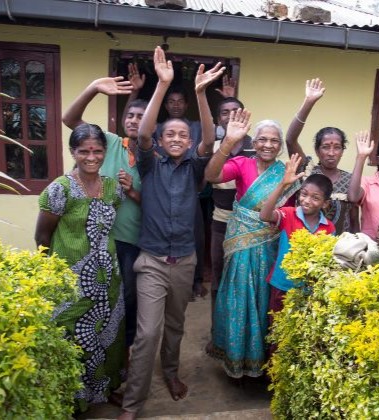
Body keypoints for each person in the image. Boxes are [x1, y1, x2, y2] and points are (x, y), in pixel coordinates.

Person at [117, 46, 223, 419]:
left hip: (184, 261)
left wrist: (199, 95)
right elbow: (143, 132)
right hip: (151, 260)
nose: (176, 137)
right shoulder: (150, 164)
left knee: (176, 326)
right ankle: (133, 403)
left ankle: (172, 373)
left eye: (182, 134)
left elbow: (210, 142)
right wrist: (162, 85)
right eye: (170, 134)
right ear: (161, 142)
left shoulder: (195, 169)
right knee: (148, 333)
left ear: (188, 142)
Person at [34, 123, 128, 411]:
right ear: (73, 152)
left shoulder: (112, 187)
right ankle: (75, 398)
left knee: (109, 337)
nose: (91, 157)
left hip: (108, 278)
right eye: (84, 151)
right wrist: (49, 277)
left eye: (97, 151)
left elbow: (105, 226)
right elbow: (42, 236)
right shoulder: (60, 190)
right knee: (74, 337)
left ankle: (108, 386)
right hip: (72, 282)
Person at [205, 111, 300, 379]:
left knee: (264, 300)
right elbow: (211, 175)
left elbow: (288, 214)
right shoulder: (241, 163)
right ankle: (236, 356)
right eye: (262, 140)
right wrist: (227, 142)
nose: (268, 145)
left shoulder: (287, 172)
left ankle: (264, 361)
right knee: (239, 296)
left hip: (272, 247)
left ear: (280, 146)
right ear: (254, 143)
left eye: (274, 141)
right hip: (241, 244)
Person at [62, 74, 144, 361]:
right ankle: (86, 355)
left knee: (128, 298)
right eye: (131, 115)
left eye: (142, 117)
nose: (135, 120)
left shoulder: (154, 156)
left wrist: (132, 191)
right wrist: (93, 88)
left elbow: (161, 206)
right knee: (94, 298)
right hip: (96, 240)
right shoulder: (108, 142)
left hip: (133, 240)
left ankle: (125, 351)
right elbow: (70, 119)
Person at [259, 155, 335, 325]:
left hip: (308, 290)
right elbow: (264, 215)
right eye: (304, 194)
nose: (306, 201)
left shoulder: (329, 228)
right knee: (277, 329)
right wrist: (283, 185)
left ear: (325, 203)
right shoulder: (288, 214)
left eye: (315, 198)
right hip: (282, 285)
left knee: (300, 331)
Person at [286, 78, 356, 234]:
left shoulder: (350, 179)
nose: (331, 153)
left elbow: (353, 218)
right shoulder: (307, 170)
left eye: (337, 147)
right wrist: (308, 102)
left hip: (338, 249)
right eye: (325, 147)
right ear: (317, 151)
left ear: (342, 151)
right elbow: (290, 139)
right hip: (302, 243)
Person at [208, 96, 255, 324]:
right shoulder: (214, 148)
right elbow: (207, 178)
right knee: (219, 276)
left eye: (236, 111)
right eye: (225, 112)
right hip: (221, 221)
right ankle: (217, 330)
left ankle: (240, 331)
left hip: (251, 226)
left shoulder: (258, 147)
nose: (230, 116)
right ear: (219, 119)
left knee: (246, 279)